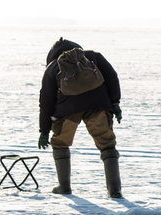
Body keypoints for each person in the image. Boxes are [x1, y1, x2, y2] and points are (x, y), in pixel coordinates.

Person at [38, 37, 123, 198]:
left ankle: (64, 187)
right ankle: (115, 190)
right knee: (107, 144)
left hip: (67, 111)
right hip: (99, 105)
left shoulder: (52, 68)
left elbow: (46, 101)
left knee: (60, 143)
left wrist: (44, 131)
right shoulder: (93, 57)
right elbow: (112, 77)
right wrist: (115, 103)